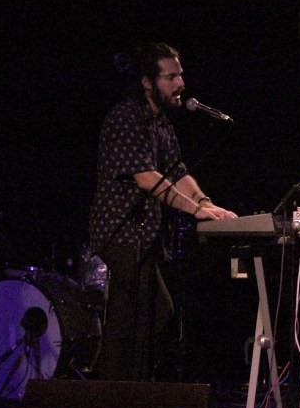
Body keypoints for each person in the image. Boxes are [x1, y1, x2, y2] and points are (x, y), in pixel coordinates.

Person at [88, 42, 237, 382]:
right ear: (147, 82)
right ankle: (115, 394)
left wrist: (205, 203)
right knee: (139, 317)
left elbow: (177, 171)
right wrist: (193, 209)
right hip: (121, 231)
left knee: (148, 317)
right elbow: (146, 177)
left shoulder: (161, 123)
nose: (180, 83)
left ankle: (129, 391)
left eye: (180, 75)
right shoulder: (127, 117)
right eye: (170, 77)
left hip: (144, 236)